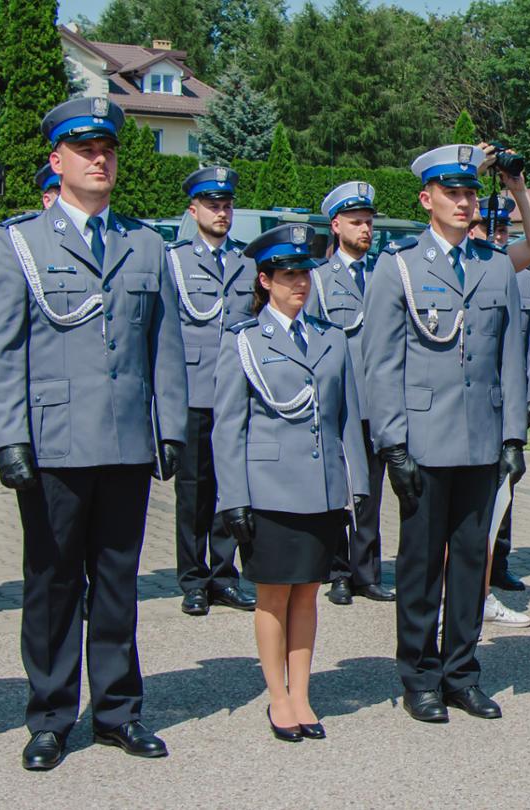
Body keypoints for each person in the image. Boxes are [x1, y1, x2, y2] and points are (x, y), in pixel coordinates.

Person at [0, 97, 186, 771]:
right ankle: (50, 714)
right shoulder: (20, 244)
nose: (100, 159)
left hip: (125, 442)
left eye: (108, 149)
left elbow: (166, 348)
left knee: (118, 584)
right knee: (54, 582)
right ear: (56, 160)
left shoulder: (145, 244)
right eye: (85, 149)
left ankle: (118, 711)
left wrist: (170, 425)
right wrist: (6, 436)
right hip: (53, 444)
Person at [364, 143, 530, 723]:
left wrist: (513, 435)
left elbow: (508, 359)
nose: (465, 202)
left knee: (471, 561)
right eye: (452, 192)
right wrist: (392, 442)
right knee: (419, 566)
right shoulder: (399, 266)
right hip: (422, 441)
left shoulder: (494, 265)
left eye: (470, 192)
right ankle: (419, 675)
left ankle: (461, 672)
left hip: (481, 439)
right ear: (427, 199)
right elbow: (382, 362)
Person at [214, 224, 367, 742]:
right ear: (264, 280)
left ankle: (301, 692)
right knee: (273, 596)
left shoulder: (330, 338)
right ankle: (277, 697)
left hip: (321, 489)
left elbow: (348, 417)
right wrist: (233, 499)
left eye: (304, 272)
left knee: (308, 595)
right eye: (287, 275)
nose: (300, 283)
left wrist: (357, 488)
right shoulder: (245, 342)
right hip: (270, 490)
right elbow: (227, 427)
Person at [170, 167, 258, 617]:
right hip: (193, 394)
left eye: (226, 205)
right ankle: (193, 579)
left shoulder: (247, 263)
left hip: (234, 394)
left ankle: (225, 576)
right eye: (212, 205)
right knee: (194, 490)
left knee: (230, 488)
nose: (221, 212)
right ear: (194, 209)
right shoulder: (176, 261)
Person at [309, 181, 395, 606]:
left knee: (371, 494)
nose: (365, 230)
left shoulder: (384, 273)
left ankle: (367, 571)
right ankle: (338, 570)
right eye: (357, 222)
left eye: (369, 222)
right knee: (340, 490)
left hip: (377, 401)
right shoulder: (319, 280)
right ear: (336, 224)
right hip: (339, 401)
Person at [474, 194, 530, 629]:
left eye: (497, 227)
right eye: (484, 224)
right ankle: (449, 605)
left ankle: (478, 597)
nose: (493, 233)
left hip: (493, 414)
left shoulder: (503, 270)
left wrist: (519, 187)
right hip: (450, 420)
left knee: (492, 512)